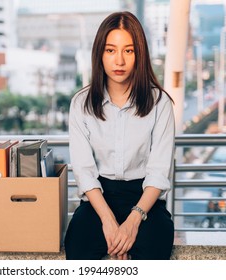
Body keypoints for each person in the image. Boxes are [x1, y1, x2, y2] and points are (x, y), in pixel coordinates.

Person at [65, 11, 175, 260]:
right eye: (111, 50)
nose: (119, 61)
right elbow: (84, 170)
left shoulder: (160, 103)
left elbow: (158, 172)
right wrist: (109, 222)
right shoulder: (80, 103)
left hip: (145, 200)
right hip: (99, 199)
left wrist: (132, 222)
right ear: (100, 55)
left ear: (140, 55)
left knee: (153, 249)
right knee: (77, 247)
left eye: (129, 51)